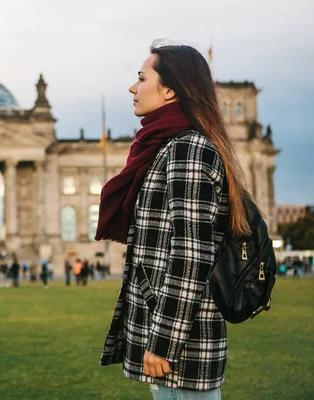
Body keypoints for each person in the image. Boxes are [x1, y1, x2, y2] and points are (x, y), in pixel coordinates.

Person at [96, 42, 248, 399]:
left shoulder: (186, 148)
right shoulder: (166, 145)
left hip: (181, 349)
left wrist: (162, 343)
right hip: (176, 342)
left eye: (141, 78)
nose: (133, 88)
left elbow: (190, 255)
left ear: (168, 89)